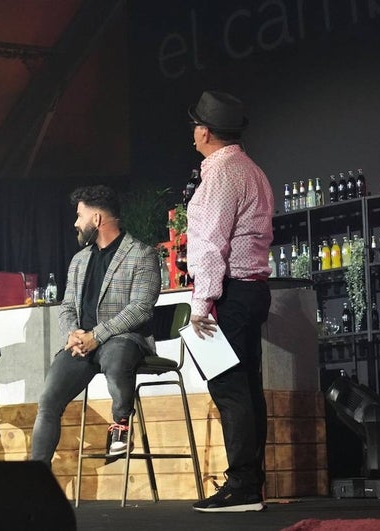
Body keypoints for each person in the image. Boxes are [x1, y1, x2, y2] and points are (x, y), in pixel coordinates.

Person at [185, 90, 274, 513]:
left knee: (228, 386)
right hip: (253, 288)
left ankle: (241, 486)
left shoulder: (221, 173)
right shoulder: (252, 169)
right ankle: (251, 482)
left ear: (204, 131)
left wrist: (200, 305)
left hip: (232, 292)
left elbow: (211, 244)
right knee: (248, 386)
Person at [31, 185, 161, 465]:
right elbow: (66, 307)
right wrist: (74, 333)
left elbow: (140, 309)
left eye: (80, 216)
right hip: (82, 347)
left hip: (123, 340)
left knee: (116, 356)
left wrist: (97, 335)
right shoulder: (79, 260)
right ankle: (35, 474)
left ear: (97, 219)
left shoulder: (142, 255)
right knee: (49, 398)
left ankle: (121, 424)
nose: (76, 223)